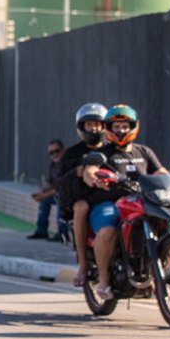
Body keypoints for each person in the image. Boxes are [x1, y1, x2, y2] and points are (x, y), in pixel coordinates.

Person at [82, 104, 169, 300]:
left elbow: (160, 172)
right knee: (107, 231)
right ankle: (104, 281)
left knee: (168, 218)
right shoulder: (103, 153)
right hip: (109, 204)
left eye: (124, 126)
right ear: (109, 129)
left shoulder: (144, 152)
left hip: (141, 202)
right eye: (116, 127)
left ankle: (165, 264)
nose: (121, 130)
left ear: (133, 127)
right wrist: (94, 178)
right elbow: (90, 170)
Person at [56, 102, 108, 286]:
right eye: (89, 124)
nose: (94, 128)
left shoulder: (111, 150)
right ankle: (83, 264)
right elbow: (59, 181)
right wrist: (76, 171)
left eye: (97, 124)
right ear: (82, 127)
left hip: (110, 196)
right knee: (81, 207)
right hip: (84, 198)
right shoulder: (72, 153)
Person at [28, 139, 65, 240]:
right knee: (44, 201)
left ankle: (62, 233)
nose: (54, 155)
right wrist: (41, 192)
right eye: (51, 153)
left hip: (67, 195)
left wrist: (44, 195)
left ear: (63, 150)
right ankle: (41, 230)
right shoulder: (53, 165)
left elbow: (61, 188)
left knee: (59, 198)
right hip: (57, 193)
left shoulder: (66, 164)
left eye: (57, 151)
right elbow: (51, 184)